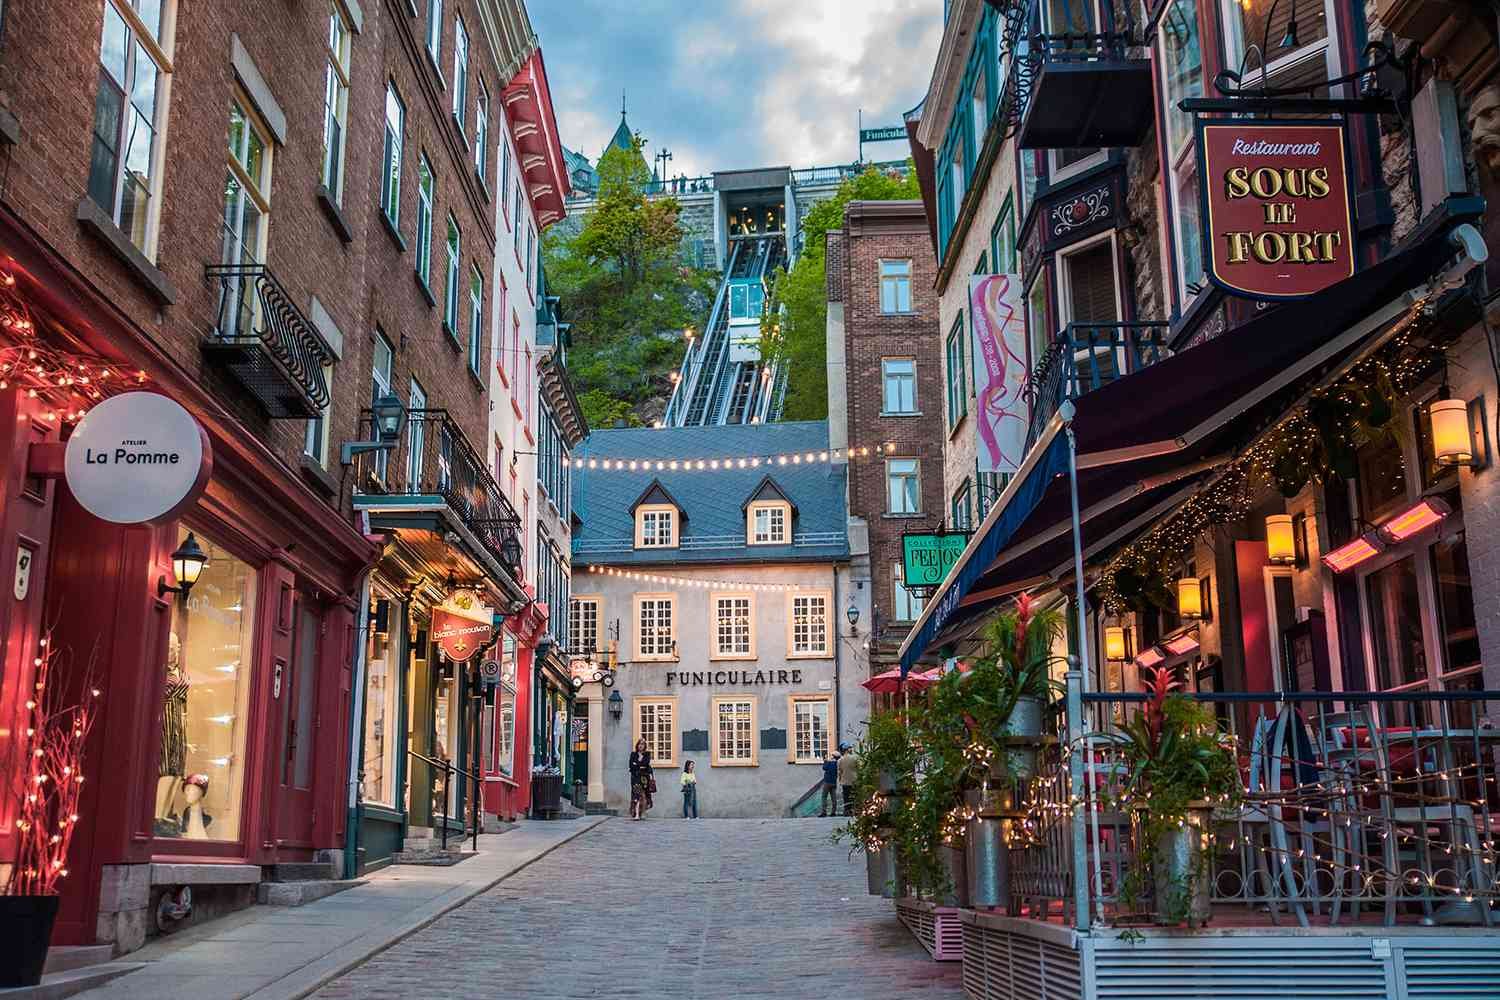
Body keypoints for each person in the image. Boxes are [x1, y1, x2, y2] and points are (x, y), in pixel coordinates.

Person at [628, 739, 654, 820]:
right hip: (635, 777)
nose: (641, 745)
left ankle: (642, 812)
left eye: (642, 744)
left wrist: (637, 763)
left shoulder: (647, 754)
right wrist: (640, 763)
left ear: (645, 746)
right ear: (637, 745)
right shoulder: (633, 754)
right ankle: (636, 814)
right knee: (636, 795)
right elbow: (631, 765)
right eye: (639, 744)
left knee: (644, 795)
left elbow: (646, 764)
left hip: (644, 778)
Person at [836, 742, 858, 817]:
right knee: (854, 796)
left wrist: (840, 780)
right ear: (847, 750)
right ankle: (854, 810)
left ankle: (847, 811)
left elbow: (839, 772)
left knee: (846, 797)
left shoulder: (840, 760)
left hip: (845, 781)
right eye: (850, 748)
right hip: (854, 780)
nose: (851, 749)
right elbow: (859, 768)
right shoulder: (855, 758)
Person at [819, 749, 840, 817]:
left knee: (824, 797)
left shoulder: (829, 762)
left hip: (827, 782)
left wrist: (825, 761)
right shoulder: (837, 763)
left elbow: (824, 768)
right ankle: (833, 812)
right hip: (834, 782)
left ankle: (824, 812)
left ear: (833, 756)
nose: (830, 756)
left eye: (831, 755)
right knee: (833, 798)